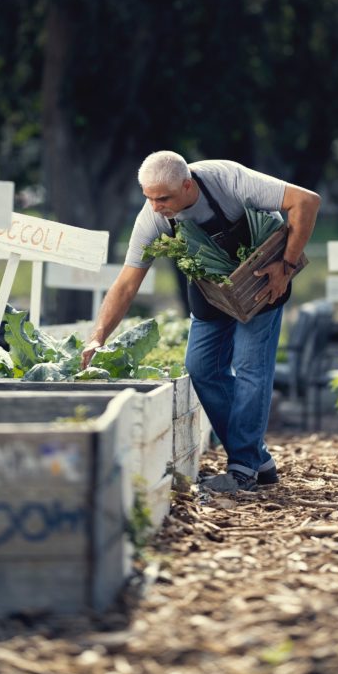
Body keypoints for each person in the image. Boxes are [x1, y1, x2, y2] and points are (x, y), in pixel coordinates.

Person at [81, 151, 321, 493]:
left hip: (262, 282)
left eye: (163, 198)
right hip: (211, 290)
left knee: (250, 366)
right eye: (148, 198)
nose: (155, 206)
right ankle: (255, 458)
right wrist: (98, 337)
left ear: (187, 185)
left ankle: (242, 469)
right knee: (201, 366)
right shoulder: (153, 219)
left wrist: (286, 265)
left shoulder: (229, 180)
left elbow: (306, 201)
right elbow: (126, 284)